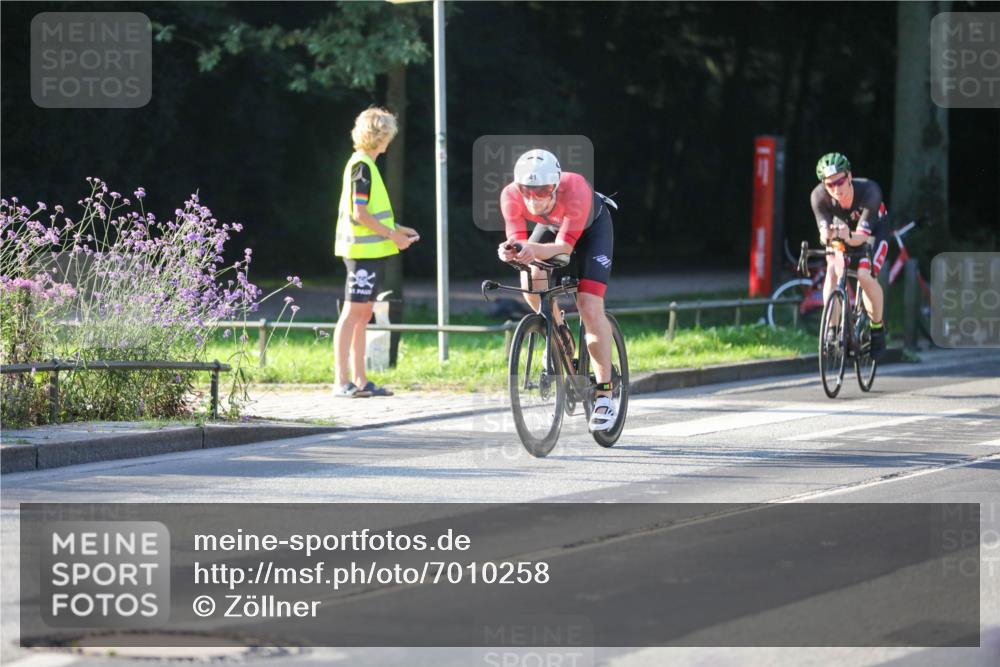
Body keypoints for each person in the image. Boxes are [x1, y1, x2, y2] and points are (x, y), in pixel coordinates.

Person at [497, 149, 619, 432]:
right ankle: (558, 331)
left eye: (542, 191)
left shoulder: (574, 188)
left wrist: (528, 248)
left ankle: (605, 393)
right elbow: (517, 241)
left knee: (589, 304)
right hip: (553, 228)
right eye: (527, 190)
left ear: (555, 185)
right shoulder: (510, 195)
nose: (533, 197)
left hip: (590, 230)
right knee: (531, 281)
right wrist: (510, 251)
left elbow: (563, 250)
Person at [333, 107, 419, 397]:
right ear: (379, 135)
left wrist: (397, 228)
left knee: (363, 313)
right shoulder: (362, 166)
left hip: (371, 253)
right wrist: (393, 235)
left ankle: (360, 380)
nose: (390, 140)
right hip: (361, 253)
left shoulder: (365, 165)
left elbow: (369, 213)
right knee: (352, 313)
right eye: (389, 134)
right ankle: (342, 381)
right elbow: (360, 214)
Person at [811, 152, 890, 358]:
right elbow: (823, 234)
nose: (836, 189)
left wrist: (845, 235)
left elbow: (860, 239)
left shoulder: (870, 191)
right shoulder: (819, 196)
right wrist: (826, 235)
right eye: (830, 185)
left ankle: (877, 328)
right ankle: (832, 329)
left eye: (840, 181)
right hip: (844, 232)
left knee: (864, 275)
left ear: (850, 175)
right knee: (832, 268)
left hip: (873, 233)